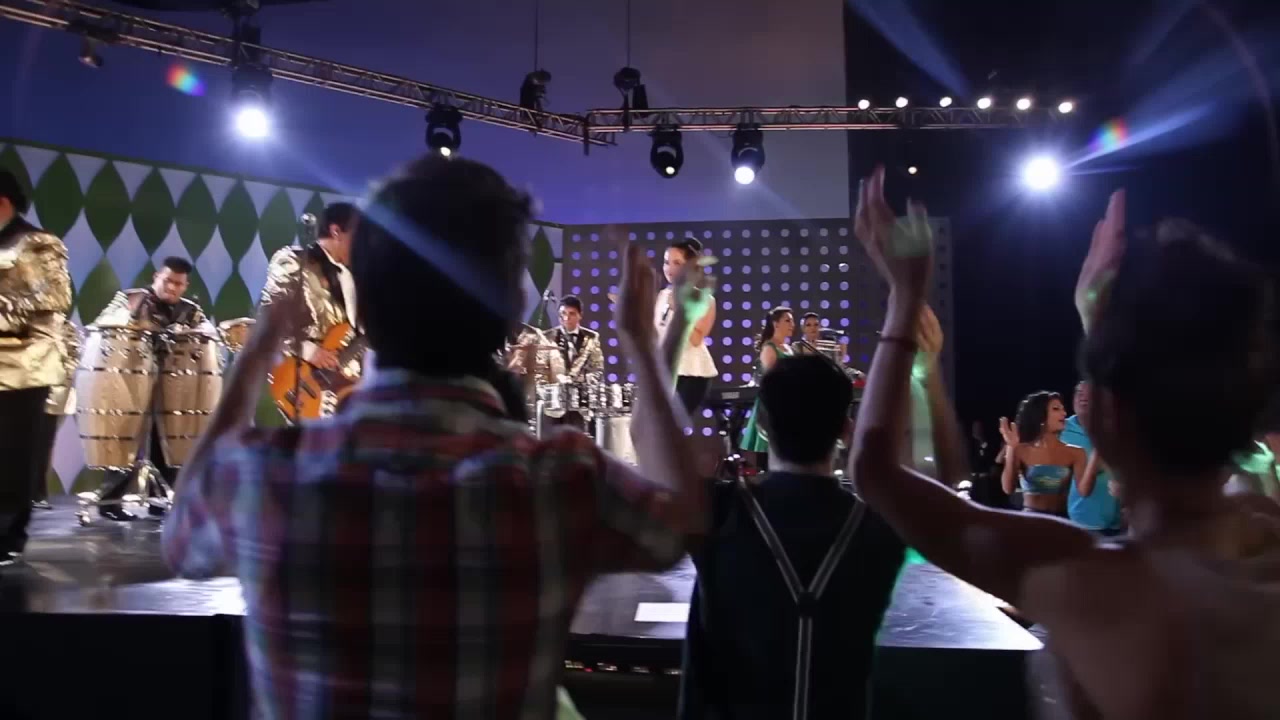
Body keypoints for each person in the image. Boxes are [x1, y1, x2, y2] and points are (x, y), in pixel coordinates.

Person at [162, 155, 706, 718]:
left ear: (366, 304)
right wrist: (644, 346)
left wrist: (253, 360)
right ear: (512, 312)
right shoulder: (560, 479)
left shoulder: (267, 475)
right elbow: (680, 521)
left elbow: (180, 541)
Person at [850, 168, 1280, 719]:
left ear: (1106, 417)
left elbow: (876, 471)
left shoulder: (1090, 585)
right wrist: (1100, 325)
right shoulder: (1265, 536)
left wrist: (905, 298)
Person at [679, 353, 906, 720]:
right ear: (846, 429)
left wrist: (645, 342)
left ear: (762, 425)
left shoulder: (720, 513)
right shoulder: (878, 530)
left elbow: (646, 434)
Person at [91, 256, 214, 521]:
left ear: (185, 286)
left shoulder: (190, 310)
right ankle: (110, 501)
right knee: (126, 437)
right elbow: (104, 322)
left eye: (178, 284)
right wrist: (132, 321)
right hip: (131, 378)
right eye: (168, 281)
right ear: (156, 277)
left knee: (168, 438)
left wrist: (198, 332)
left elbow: (207, 332)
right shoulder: (132, 299)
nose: (172, 288)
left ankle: (160, 501)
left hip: (172, 383)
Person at [0, 169, 72, 566]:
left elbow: (53, 299)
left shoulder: (39, 244)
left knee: (14, 456)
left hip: (24, 366)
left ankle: (8, 536)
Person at [259, 202, 364, 419]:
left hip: (345, 388)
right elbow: (270, 317)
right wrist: (310, 352)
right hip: (302, 381)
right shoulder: (295, 261)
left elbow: (357, 330)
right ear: (336, 231)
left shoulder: (355, 276)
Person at [997, 391, 1095, 516]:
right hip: (1030, 520)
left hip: (1061, 520)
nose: (1064, 413)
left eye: (1063, 409)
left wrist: (1097, 453)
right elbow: (1008, 488)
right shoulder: (1021, 450)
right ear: (1040, 415)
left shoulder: (1076, 452)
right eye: (1056, 409)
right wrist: (1011, 448)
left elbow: (1085, 492)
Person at [656, 238, 717, 414]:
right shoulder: (662, 296)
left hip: (691, 373)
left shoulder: (704, 299)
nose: (669, 268)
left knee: (674, 422)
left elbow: (696, 339)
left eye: (677, 263)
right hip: (664, 370)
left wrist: (679, 309)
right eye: (666, 262)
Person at [31, 315, 80, 510]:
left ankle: (37, 493)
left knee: (43, 446)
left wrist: (61, 377)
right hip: (19, 390)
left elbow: (72, 355)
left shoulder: (64, 326)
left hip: (51, 394)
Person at [1062, 381, 1124, 535]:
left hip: (1120, 521)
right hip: (1083, 524)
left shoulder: (1117, 427)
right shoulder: (1060, 429)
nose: (1083, 397)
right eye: (1079, 393)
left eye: (1089, 394)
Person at [739, 306, 795, 470]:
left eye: (792, 321)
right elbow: (771, 380)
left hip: (788, 404)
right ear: (775, 324)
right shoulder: (769, 348)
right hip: (772, 406)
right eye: (787, 320)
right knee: (769, 456)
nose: (792, 325)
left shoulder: (789, 348)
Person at [548, 295, 603, 381]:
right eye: (563, 313)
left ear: (580, 315)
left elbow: (597, 369)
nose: (566, 318)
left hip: (581, 388)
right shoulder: (547, 336)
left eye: (572, 314)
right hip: (554, 388)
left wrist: (583, 379)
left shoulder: (592, 337)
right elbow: (541, 370)